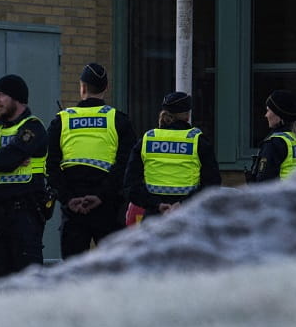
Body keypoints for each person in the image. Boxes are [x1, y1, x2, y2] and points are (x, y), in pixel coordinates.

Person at [46, 62, 136, 260]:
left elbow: (50, 167)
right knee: (113, 273)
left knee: (73, 277)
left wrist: (69, 199)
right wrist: (101, 196)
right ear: (106, 88)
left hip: (73, 211)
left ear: (82, 87)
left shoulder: (62, 121)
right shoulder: (118, 120)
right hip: (108, 210)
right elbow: (126, 167)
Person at [0, 74, 51, 278]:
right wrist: (1, 161)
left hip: (24, 214)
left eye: (2, 94)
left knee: (26, 279)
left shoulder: (32, 127)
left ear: (17, 99)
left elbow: (1, 159)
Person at [123, 90, 220, 223]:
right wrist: (182, 204)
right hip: (189, 218)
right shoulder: (198, 141)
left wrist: (156, 204)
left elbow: (131, 186)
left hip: (154, 218)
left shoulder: (147, 140)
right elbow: (212, 185)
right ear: (187, 115)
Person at [247, 88, 296, 183]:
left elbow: (264, 183)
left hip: (281, 196)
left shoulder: (274, 143)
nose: (266, 115)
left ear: (278, 115)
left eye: (268, 110)